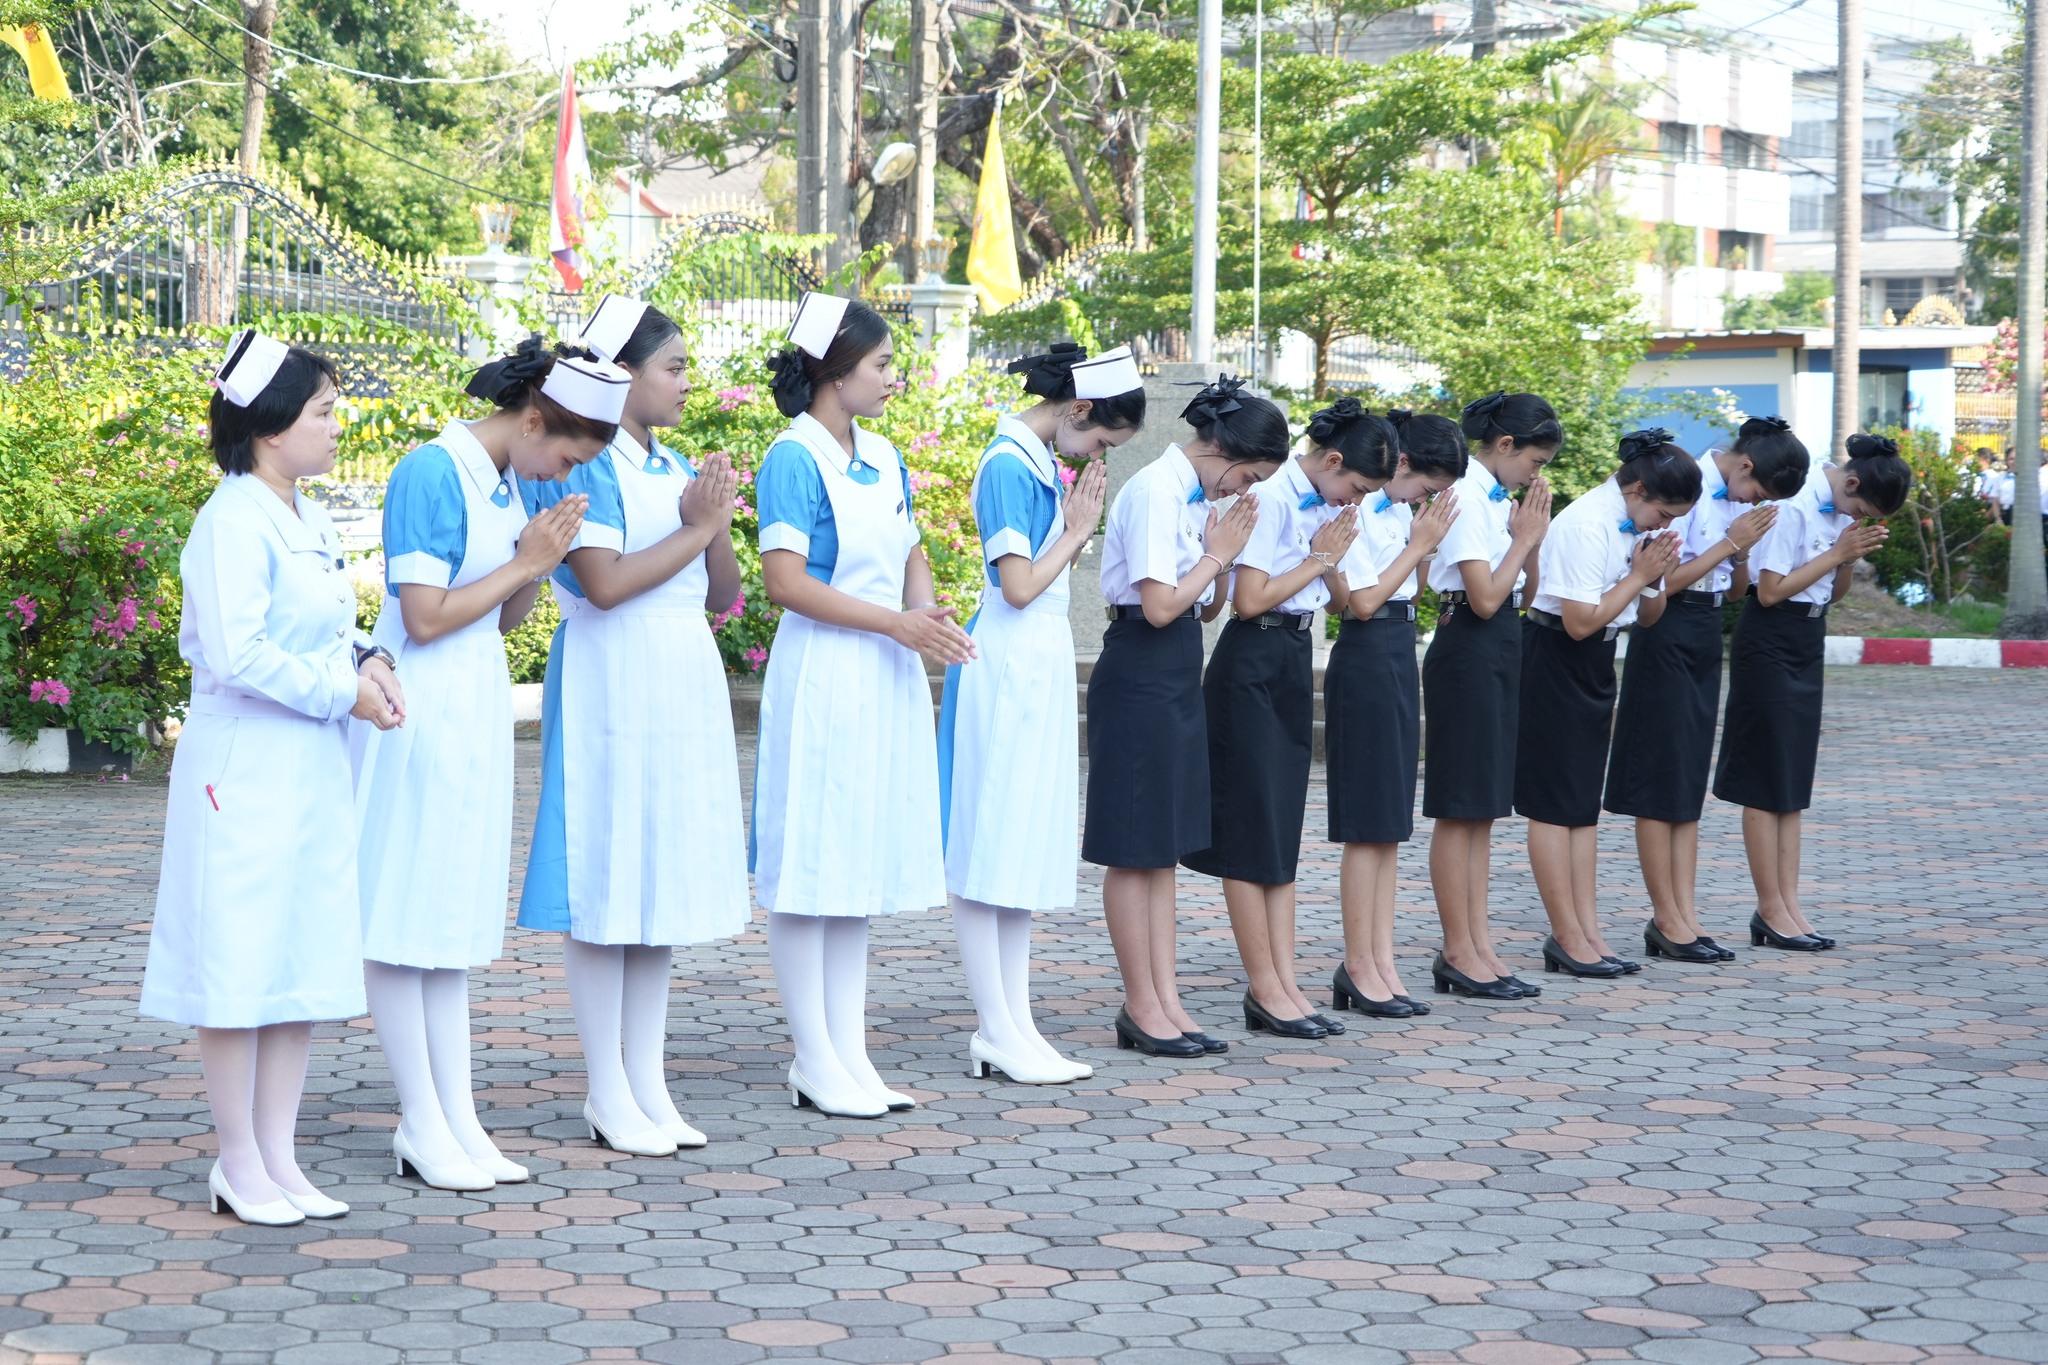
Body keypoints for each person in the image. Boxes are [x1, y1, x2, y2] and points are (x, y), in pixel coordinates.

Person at [141, 332, 404, 1225]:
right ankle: (237, 1158)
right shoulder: (231, 520)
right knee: (240, 957)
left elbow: (325, 626)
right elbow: (240, 653)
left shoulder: (307, 515)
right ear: (270, 426)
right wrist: (343, 691)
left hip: (310, 762)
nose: (337, 426)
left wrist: (367, 660)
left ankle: (280, 1153)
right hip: (243, 767)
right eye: (324, 412)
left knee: (299, 953)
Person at [353, 337, 625, 1188]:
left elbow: (501, 620)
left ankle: (457, 1116)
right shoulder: (431, 472)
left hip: (473, 702)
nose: (562, 475)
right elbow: (426, 617)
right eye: (566, 457)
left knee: (451, 920)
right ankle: (419, 1117)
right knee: (404, 916)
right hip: (414, 704)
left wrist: (537, 564)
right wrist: (528, 560)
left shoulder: (513, 481)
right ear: (533, 419)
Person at [515, 296, 749, 1154]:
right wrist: (698, 525)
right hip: (611, 676)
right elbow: (605, 583)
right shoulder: (586, 460)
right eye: (673, 367)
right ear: (622, 375)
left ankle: (647, 1079)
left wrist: (715, 522)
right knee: (607, 878)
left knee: (660, 882)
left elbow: (722, 595)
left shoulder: (674, 463)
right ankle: (605, 1088)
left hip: (681, 672)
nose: (686, 383)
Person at [754, 293, 975, 1118]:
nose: (891, 378)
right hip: (826, 671)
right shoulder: (793, 457)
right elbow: (785, 583)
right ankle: (812, 1057)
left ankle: (850, 1053)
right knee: (810, 862)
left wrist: (925, 619)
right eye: (881, 364)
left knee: (855, 865)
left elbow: (909, 550)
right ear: (836, 371)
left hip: (885, 669)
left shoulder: (883, 453)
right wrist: (896, 624)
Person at [937, 343, 1143, 1085]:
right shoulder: (1007, 464)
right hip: (1005, 663)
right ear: (1078, 408)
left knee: (1018, 846)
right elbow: (1018, 586)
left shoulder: (1034, 463)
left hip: (1034, 662)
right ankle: (995, 1026)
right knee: (988, 844)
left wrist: (1074, 524)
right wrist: (1079, 529)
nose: (1097, 457)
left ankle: (1015, 1022)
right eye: (1101, 440)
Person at [1084, 375, 1287, 1058]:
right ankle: (1140, 1003)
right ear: (1222, 450)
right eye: (1247, 476)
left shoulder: (1197, 499)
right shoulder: (1154, 489)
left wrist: (1222, 559)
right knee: (1132, 843)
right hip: (1139, 665)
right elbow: (1161, 604)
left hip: (1174, 665)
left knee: (1163, 846)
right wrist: (1216, 554)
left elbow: (1204, 607)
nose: (1243, 490)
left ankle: (1166, 998)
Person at [1184, 398, 1387, 1042]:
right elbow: (1248, 601)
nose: (1357, 501)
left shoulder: (1325, 506)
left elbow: (1339, 600)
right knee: (1252, 827)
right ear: (1332, 460)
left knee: (1281, 828)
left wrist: (1333, 558)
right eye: (1357, 487)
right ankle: (1264, 986)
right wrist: (1320, 559)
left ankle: (1286, 981)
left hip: (1294, 654)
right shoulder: (1269, 496)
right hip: (1252, 659)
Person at [1604, 417, 1808, 964]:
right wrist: (1728, 543)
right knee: (1660, 776)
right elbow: (1657, 581)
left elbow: (1735, 590)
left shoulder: (1732, 507)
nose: (1753, 502)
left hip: (1705, 631)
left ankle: (1686, 913)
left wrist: (1739, 554)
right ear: (1744, 465)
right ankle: (1665, 916)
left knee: (1688, 778)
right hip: (1665, 629)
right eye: (1757, 492)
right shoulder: (1685, 486)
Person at [1714, 433, 1912, 951]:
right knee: (1765, 778)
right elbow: (1770, 591)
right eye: (1860, 509)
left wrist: (1845, 559)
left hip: (1808, 635)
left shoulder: (1840, 513)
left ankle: (1789, 903)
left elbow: (1833, 593)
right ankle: (1769, 907)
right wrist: (1839, 552)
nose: (1857, 518)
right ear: (1851, 482)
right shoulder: (1796, 505)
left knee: (1791, 780)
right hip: (1770, 639)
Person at [1515, 429, 1700, 979]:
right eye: (1663, 514)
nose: (1663, 526)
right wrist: (1639, 575)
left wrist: (1655, 578)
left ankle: (1589, 931)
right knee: (1555, 804)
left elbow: (1648, 617)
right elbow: (1578, 621)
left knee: (1582, 808)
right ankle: (1566, 935)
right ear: (1637, 490)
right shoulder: (1587, 523)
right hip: (1557, 655)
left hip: (1597, 658)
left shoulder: (1632, 527)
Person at [1324, 410, 1464, 1021]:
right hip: (1366, 651)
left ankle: (1380, 960)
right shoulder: (1355, 509)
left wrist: (1422, 545)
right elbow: (1360, 602)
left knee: (1388, 823)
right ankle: (1359, 963)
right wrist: (1418, 547)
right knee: (1367, 820)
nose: (1423, 499)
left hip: (1399, 648)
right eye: (1425, 486)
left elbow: (1413, 590)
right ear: (1402, 463)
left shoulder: (1402, 513)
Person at [1421, 392, 1557, 1000]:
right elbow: (1482, 597)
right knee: (1462, 806)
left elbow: (1525, 595)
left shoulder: (1497, 499)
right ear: (1504, 445)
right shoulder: (1467, 497)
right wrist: (1524, 539)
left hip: (1499, 644)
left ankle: (1479, 944)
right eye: (1534, 461)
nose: (1535, 474)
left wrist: (1532, 539)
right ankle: (1458, 949)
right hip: (1468, 647)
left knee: (1484, 809)